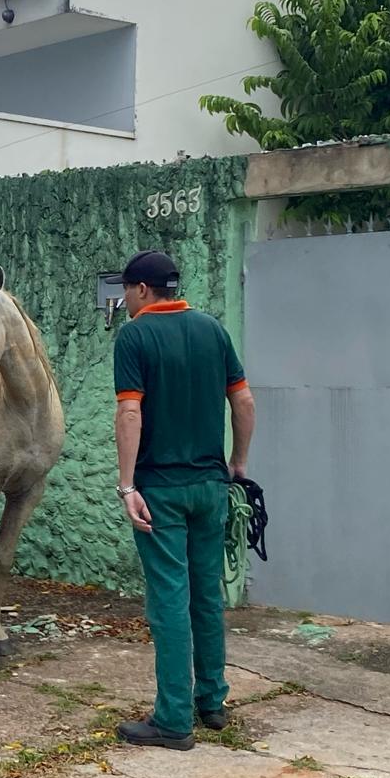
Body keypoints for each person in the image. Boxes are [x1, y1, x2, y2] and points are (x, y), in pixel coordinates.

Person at [111, 250, 257, 751]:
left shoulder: (134, 335)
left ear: (143, 290)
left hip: (160, 491)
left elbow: (130, 413)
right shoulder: (212, 330)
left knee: (169, 600)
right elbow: (243, 400)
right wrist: (237, 464)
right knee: (206, 593)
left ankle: (173, 720)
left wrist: (127, 484)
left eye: (126, 291)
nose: (124, 300)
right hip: (211, 486)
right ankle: (211, 702)